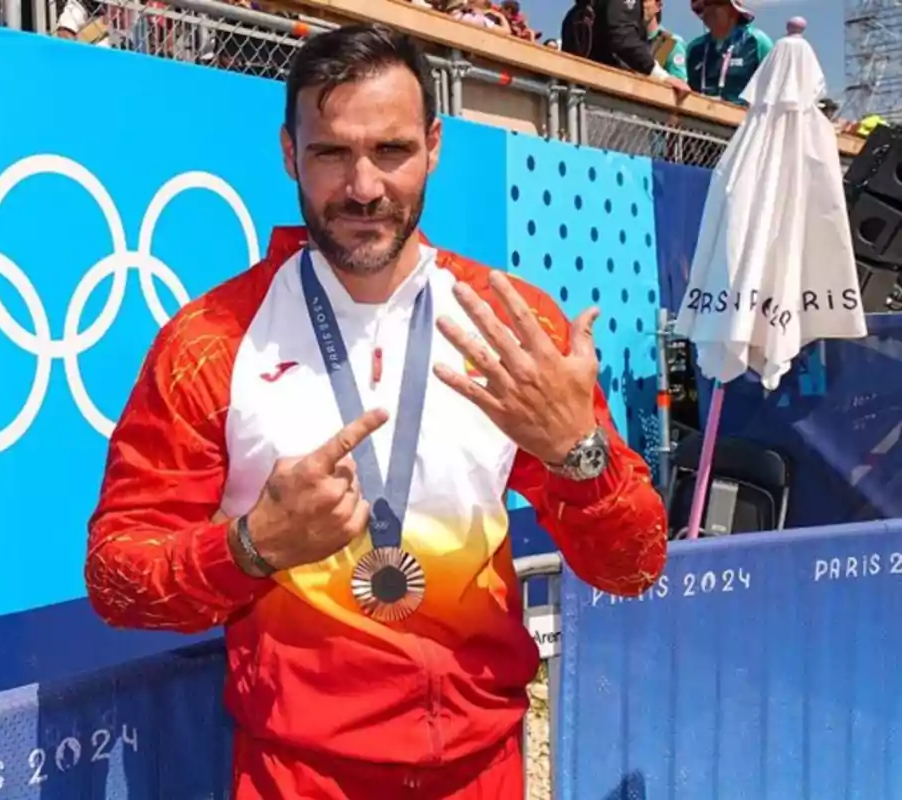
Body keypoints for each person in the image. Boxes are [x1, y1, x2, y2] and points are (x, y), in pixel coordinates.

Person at [85, 23, 668, 799]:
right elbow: (116, 579)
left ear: (433, 146)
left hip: (482, 771)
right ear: (290, 154)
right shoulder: (210, 342)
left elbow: (633, 567)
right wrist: (252, 549)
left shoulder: (509, 326)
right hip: (295, 777)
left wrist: (579, 455)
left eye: (391, 151)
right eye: (331, 153)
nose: (362, 187)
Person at [561, 0, 691, 99]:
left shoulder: (577, 12)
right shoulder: (581, 11)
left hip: (579, 99)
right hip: (606, 102)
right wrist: (663, 77)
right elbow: (623, 38)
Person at [685, 0, 774, 105]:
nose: (710, 10)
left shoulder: (757, 41)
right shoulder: (694, 48)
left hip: (745, 118)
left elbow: (774, 84)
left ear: (734, 10)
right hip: (698, 117)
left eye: (718, 3)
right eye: (705, 5)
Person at [645, 0, 687, 81]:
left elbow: (680, 84)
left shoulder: (671, 43)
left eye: (644, 1)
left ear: (658, 5)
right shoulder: (625, 41)